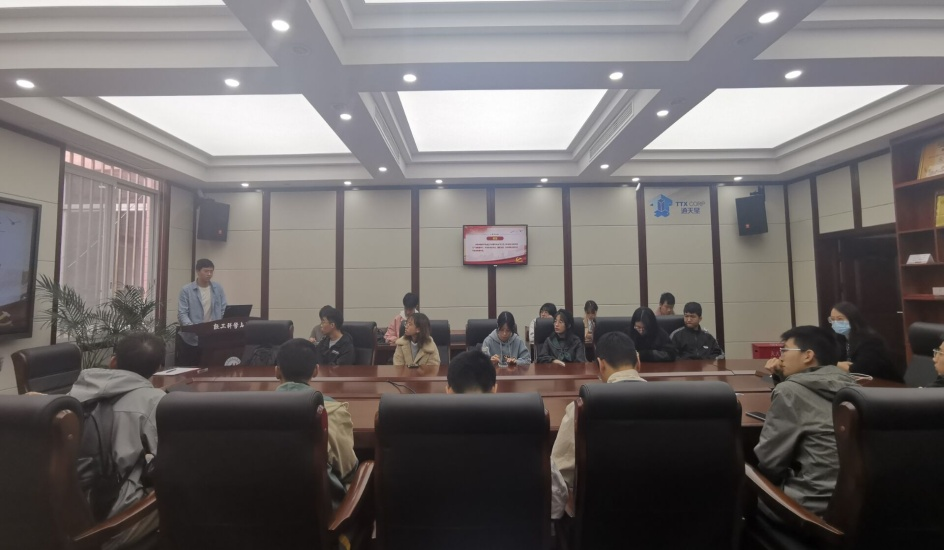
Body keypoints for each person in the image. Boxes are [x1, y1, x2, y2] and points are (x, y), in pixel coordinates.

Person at [68, 332, 167, 549]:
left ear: (113, 361)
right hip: (110, 524)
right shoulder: (154, 401)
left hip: (64, 515)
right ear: (158, 368)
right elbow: (168, 462)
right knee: (183, 493)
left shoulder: (73, 394)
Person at [446, 350, 568, 519]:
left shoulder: (423, 434)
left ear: (448, 390)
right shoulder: (524, 430)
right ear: (494, 389)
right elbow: (556, 504)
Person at [755, 326, 857, 517]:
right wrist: (782, 378)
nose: (780, 357)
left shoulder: (789, 392)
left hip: (812, 507)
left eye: (785, 350)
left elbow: (770, 462)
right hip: (857, 507)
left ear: (808, 355)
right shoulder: (853, 386)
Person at [552, 332, 645, 488]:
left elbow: (559, 476)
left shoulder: (582, 406)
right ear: (638, 361)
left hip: (599, 502)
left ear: (601, 365)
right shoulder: (671, 403)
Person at [275, 338, 357, 510]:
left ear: (277, 371)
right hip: (320, 517)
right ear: (316, 371)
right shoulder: (332, 412)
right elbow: (348, 470)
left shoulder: (253, 412)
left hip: (263, 514)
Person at [828, 301, 903, 382]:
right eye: (832, 319)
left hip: (885, 384)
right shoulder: (840, 338)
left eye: (840, 319)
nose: (835, 323)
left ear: (852, 319)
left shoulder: (871, 340)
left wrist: (835, 364)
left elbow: (859, 370)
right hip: (856, 382)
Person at [176, 258, 227, 365]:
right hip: (193, 337)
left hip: (213, 335)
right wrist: (194, 328)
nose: (209, 274)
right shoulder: (187, 290)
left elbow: (224, 309)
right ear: (198, 271)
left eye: (211, 271)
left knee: (212, 367)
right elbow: (182, 313)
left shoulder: (217, 288)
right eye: (206, 271)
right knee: (194, 366)